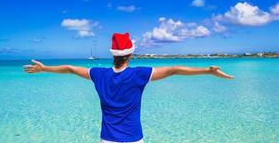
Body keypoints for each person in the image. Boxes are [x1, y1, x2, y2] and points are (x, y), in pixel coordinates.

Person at [24, 32, 234, 143]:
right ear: (130, 54)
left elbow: (70, 68)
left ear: (113, 55)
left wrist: (45, 69)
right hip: (134, 137)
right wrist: (207, 71)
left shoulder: (99, 75)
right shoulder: (139, 74)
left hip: (108, 138)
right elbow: (175, 69)